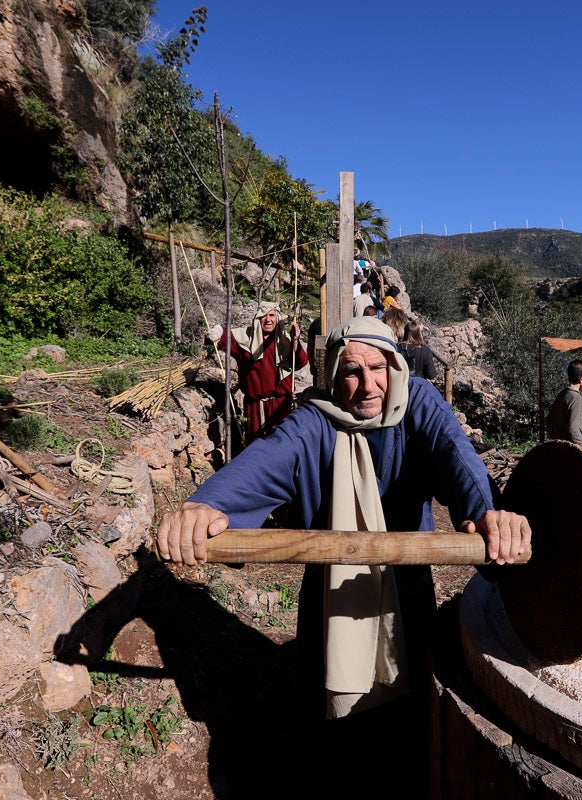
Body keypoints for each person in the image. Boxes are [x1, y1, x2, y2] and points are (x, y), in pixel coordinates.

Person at [157, 316, 530, 794]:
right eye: (351, 371)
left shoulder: (418, 403)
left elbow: (457, 456)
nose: (367, 384)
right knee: (332, 725)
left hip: (409, 590)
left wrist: (488, 512)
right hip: (330, 599)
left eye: (378, 367)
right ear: (333, 375)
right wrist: (207, 505)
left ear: (396, 367)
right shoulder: (314, 421)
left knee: (407, 715)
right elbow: (266, 461)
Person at [216, 301, 308, 445]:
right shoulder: (246, 339)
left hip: (281, 405)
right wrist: (218, 332)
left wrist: (295, 342)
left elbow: (300, 363)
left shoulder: (284, 341)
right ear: (258, 318)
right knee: (256, 446)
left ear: (277, 318)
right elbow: (226, 338)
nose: (268, 319)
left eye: (271, 315)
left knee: (282, 444)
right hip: (255, 407)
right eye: (263, 316)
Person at [546, 361, 582, 447]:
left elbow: (549, 420)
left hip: (557, 447)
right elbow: (574, 430)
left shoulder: (562, 394)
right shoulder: (576, 399)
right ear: (581, 379)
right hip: (570, 450)